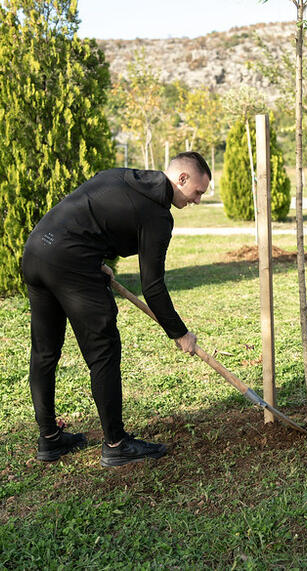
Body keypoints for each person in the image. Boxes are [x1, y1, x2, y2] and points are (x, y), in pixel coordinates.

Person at [21, 152, 210, 466]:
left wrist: (96, 260)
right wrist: (180, 333)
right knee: (103, 351)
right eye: (198, 192)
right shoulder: (158, 216)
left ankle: (49, 440)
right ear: (182, 179)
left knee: (44, 351)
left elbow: (89, 217)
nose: (198, 201)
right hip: (71, 262)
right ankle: (116, 444)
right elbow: (153, 287)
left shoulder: (120, 175)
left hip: (37, 250)